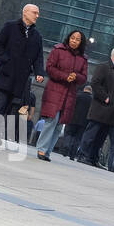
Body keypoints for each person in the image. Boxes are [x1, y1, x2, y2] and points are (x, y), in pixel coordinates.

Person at [0, 5, 45, 147]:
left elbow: (39, 57)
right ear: (25, 13)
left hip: (21, 78)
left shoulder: (37, 36)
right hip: (6, 74)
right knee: (0, 105)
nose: (37, 16)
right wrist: (6, 60)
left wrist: (39, 73)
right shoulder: (10, 27)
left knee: (8, 108)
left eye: (38, 13)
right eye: (34, 13)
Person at [35, 29, 88, 161]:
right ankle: (41, 149)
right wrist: (65, 76)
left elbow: (84, 77)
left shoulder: (83, 58)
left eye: (77, 39)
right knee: (51, 121)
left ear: (81, 42)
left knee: (59, 124)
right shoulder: (58, 50)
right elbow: (50, 68)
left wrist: (75, 77)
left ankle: (47, 151)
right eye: (72, 38)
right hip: (55, 90)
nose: (74, 41)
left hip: (69, 95)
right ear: (68, 38)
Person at [78, 47, 114, 165]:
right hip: (101, 109)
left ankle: (93, 158)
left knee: (101, 137)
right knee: (91, 134)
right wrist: (105, 97)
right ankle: (83, 154)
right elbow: (95, 83)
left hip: (111, 112)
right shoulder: (104, 67)